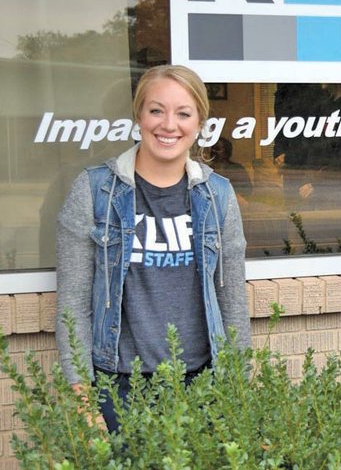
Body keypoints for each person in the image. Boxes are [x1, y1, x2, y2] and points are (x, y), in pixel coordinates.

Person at [55, 64, 251, 432]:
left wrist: (238, 393)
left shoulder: (218, 195)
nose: (168, 125)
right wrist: (82, 400)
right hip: (118, 387)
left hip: (202, 383)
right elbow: (73, 305)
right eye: (156, 110)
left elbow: (233, 304)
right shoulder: (94, 191)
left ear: (199, 123)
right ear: (139, 116)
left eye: (183, 113)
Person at [208, 136, 254, 204]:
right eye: (212, 148)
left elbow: (247, 190)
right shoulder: (207, 170)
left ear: (226, 152)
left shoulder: (236, 169)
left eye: (217, 149)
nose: (213, 151)